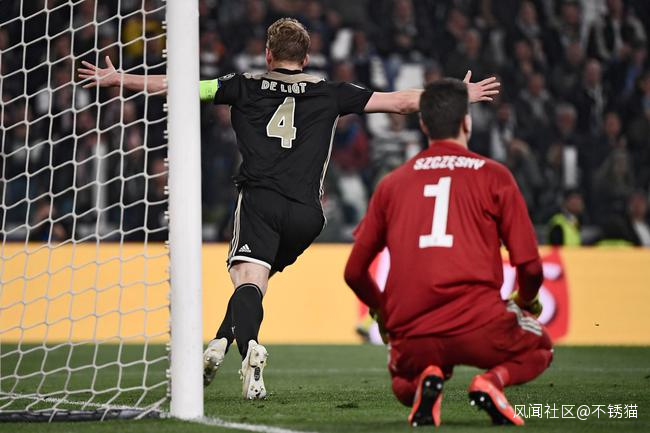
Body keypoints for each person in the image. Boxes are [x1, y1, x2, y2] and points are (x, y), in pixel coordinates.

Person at [77, 18, 500, 400]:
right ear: (307, 57)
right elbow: (403, 101)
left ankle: (250, 350)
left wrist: (121, 79)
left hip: (261, 202)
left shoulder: (241, 85)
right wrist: (457, 95)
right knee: (255, 285)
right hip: (308, 215)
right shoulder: (330, 92)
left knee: (247, 280)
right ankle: (220, 342)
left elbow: (181, 86)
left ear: (268, 55)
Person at [344, 79, 552, 426]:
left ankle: (429, 378)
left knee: (403, 382)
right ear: (466, 122)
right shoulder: (495, 176)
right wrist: (526, 301)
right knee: (542, 347)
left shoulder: (391, 184)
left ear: (424, 125)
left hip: (415, 329)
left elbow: (354, 272)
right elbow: (530, 267)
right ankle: (490, 382)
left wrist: (383, 313)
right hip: (480, 324)